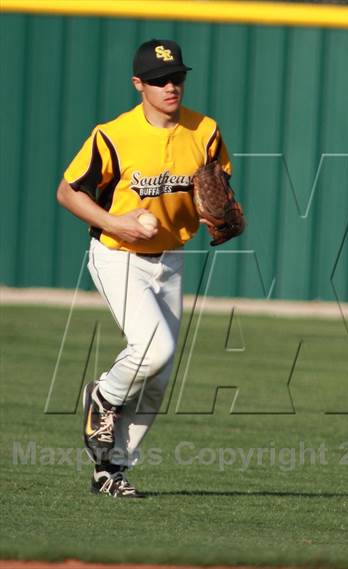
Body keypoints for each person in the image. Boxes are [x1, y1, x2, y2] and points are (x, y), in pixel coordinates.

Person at [56, 39, 233, 498]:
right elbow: (68, 192)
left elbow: (216, 185)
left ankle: (110, 469)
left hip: (170, 257)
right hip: (119, 254)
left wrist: (219, 212)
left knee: (160, 374)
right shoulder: (113, 135)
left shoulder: (205, 130)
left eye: (176, 77)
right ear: (139, 85)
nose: (170, 86)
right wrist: (115, 221)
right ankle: (105, 395)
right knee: (152, 348)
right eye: (158, 81)